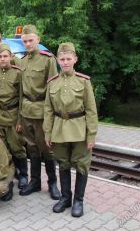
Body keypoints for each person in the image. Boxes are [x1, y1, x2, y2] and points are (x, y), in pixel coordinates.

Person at [44, 42, 98, 217]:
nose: (65, 62)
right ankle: (66, 198)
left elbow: (91, 110)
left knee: (82, 165)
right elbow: (48, 109)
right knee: (63, 163)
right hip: (58, 128)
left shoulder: (84, 81)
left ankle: (78, 201)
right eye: (62, 59)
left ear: (75, 59)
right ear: (58, 60)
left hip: (80, 129)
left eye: (68, 59)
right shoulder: (52, 82)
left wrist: (91, 135)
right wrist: (47, 132)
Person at [17, 25, 60, 200]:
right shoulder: (22, 61)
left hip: (42, 111)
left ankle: (52, 184)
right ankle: (35, 182)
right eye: (25, 41)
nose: (28, 44)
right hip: (26, 110)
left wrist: (51, 117)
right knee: (32, 148)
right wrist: (20, 116)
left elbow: (52, 89)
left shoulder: (48, 59)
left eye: (30, 40)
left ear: (38, 39)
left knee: (47, 149)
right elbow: (20, 91)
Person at [0, 44, 28, 189]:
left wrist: (20, 120)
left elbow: (23, 98)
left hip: (13, 116)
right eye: (0, 57)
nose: (2, 59)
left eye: (5, 56)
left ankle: (23, 175)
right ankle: (10, 173)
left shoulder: (18, 73)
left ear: (11, 57)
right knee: (2, 148)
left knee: (17, 147)